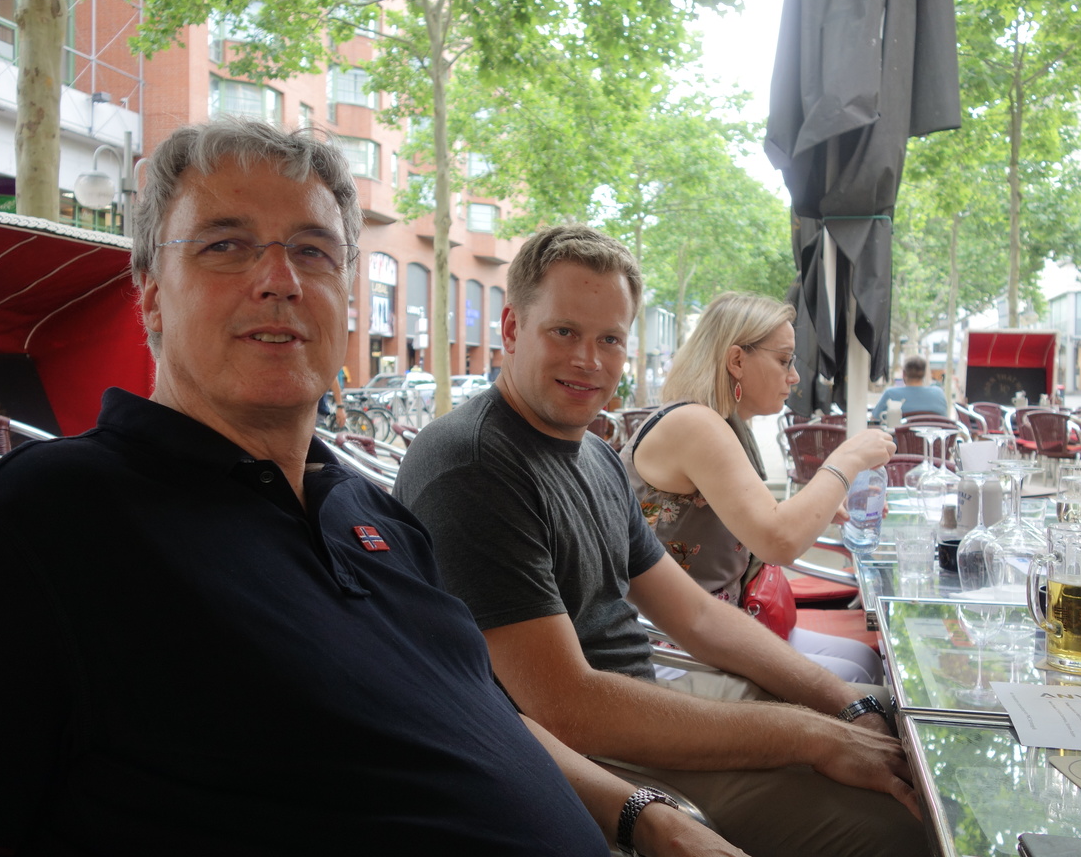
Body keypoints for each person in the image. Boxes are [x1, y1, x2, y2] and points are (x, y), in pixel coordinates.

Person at [0, 121, 742, 857]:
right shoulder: (34, 529)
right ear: (151, 299)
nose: (279, 279)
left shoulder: (376, 519)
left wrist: (646, 817)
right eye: (224, 245)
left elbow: (480, 711)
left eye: (313, 251)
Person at [394, 225, 927, 857]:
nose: (589, 360)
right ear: (512, 328)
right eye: (563, 332)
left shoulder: (592, 455)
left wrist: (841, 703)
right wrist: (812, 736)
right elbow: (567, 707)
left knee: (896, 726)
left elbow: (697, 615)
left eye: (610, 339)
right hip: (579, 768)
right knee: (903, 822)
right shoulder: (474, 467)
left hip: (643, 707)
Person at [619, 292, 893, 684]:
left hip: (722, 626)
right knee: (854, 678)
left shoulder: (719, 423)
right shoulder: (695, 424)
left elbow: (763, 524)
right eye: (784, 360)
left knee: (865, 661)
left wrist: (819, 506)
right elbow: (778, 541)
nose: (794, 376)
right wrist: (847, 459)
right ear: (736, 361)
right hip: (671, 643)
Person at [872, 355, 947, 419]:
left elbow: (874, 419)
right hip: (933, 432)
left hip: (899, 432)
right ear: (924, 374)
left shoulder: (890, 394)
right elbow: (945, 420)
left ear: (904, 373)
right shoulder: (938, 393)